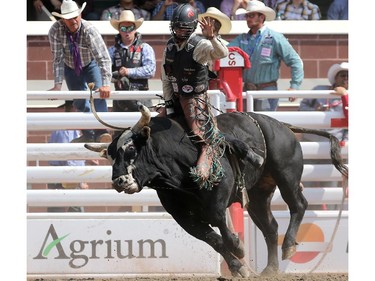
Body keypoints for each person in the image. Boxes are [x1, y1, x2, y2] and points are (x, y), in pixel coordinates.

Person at [160, 3, 264, 189]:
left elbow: (221, 53)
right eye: (177, 28)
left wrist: (212, 38)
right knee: (155, 125)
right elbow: (166, 77)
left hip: (195, 100)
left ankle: (207, 162)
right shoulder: (169, 47)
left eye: (184, 28)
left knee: (201, 134)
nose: (180, 32)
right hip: (176, 97)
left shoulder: (200, 44)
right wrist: (168, 104)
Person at [48, 0, 112, 143]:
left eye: (75, 17)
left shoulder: (89, 30)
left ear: (80, 14)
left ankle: (101, 131)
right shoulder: (55, 31)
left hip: (91, 64)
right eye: (69, 18)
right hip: (70, 66)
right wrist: (57, 85)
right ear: (63, 19)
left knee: (99, 95)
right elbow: (58, 59)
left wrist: (106, 83)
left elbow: (103, 58)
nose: (73, 21)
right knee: (79, 100)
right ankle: (89, 133)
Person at [228, 0, 304, 111]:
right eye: (247, 16)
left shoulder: (275, 37)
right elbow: (226, 50)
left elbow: (295, 61)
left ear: (261, 17)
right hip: (247, 90)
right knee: (245, 125)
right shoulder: (242, 39)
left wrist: (294, 86)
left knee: (264, 124)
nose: (248, 19)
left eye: (252, 15)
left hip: (266, 91)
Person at [108, 10, 156, 135]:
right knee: (119, 135)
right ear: (119, 30)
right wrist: (116, 76)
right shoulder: (112, 50)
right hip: (120, 99)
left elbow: (151, 70)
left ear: (135, 29)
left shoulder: (145, 47)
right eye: (123, 27)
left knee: (145, 135)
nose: (127, 31)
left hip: (141, 97)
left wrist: (128, 72)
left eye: (130, 27)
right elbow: (105, 71)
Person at [47, 102, 88, 213]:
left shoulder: (61, 127)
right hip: (67, 175)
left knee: (55, 208)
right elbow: (69, 156)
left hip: (58, 173)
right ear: (74, 108)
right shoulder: (68, 128)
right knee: (75, 209)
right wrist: (79, 181)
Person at [299, 62, 348, 143]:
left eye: (349, 76)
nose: (346, 78)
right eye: (343, 75)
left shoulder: (349, 98)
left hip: (333, 140)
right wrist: (315, 110)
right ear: (336, 78)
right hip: (311, 137)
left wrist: (345, 141)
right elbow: (301, 108)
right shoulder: (319, 90)